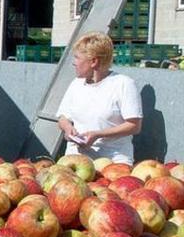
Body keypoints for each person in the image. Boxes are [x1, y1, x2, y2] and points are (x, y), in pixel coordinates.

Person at [56, 31, 142, 164]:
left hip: (112, 160)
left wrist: (98, 134)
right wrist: (68, 129)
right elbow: (62, 117)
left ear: (94, 61)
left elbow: (134, 126)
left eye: (77, 58)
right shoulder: (76, 84)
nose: (74, 63)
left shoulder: (123, 84)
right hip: (76, 159)